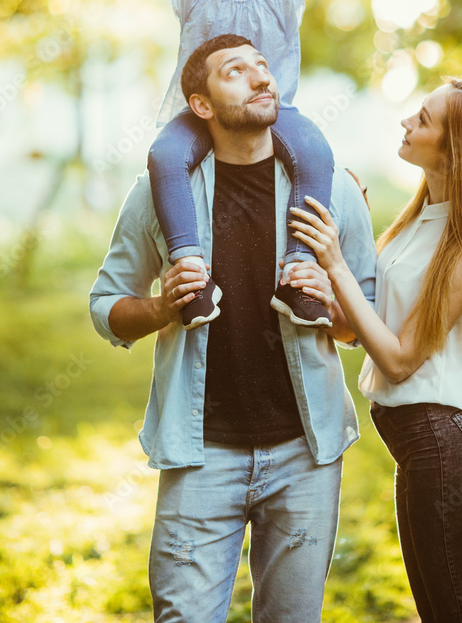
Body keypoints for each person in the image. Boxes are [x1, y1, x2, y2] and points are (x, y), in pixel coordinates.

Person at [0, 0, 462, 330]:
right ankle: (191, 270)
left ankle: (297, 277)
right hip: (200, 114)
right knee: (163, 155)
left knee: (317, 154)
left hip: (273, 115)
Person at [89, 34, 377, 623]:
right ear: (201, 104)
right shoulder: (156, 195)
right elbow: (106, 306)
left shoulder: (334, 191)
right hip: (199, 458)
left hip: (306, 456)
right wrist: (162, 308)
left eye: (263, 67)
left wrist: (335, 303)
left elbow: (363, 325)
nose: (259, 77)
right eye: (235, 70)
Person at [288, 77, 462, 623]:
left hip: (450, 446)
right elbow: (368, 336)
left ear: (453, 149)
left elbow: (398, 360)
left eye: (423, 119)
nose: (406, 123)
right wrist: (338, 270)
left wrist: (337, 265)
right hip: (422, 448)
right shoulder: (419, 219)